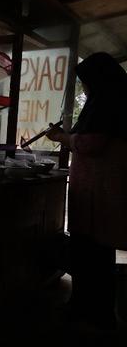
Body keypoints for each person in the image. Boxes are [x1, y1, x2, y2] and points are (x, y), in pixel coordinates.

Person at [47, 52, 127, 329]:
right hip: (104, 190)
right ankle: (95, 310)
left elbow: (92, 144)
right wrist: (69, 136)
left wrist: (62, 138)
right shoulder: (116, 102)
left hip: (99, 192)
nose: (84, 88)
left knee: (90, 253)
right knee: (98, 254)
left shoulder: (105, 105)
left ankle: (88, 312)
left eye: (85, 82)